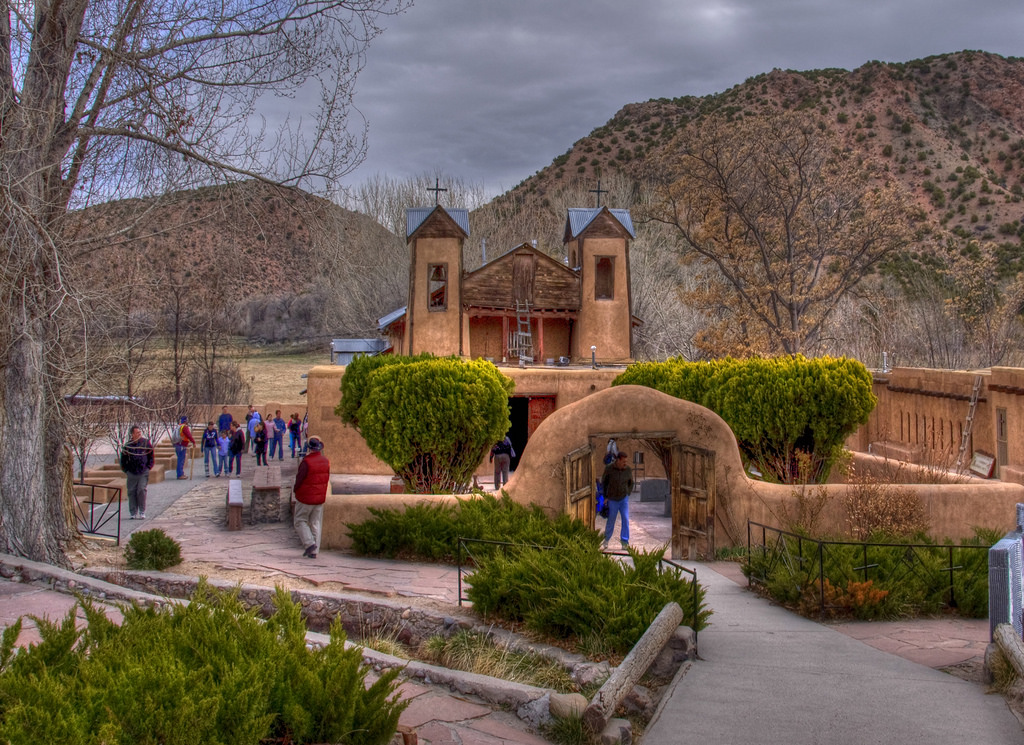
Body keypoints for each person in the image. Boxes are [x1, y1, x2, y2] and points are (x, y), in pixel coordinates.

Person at [293, 436, 330, 559]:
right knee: (315, 522)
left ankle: (309, 544)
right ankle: (314, 551)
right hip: (319, 497)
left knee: (300, 521)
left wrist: (296, 490)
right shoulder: (325, 461)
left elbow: (299, 479)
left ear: (309, 448)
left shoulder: (307, 462)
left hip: (306, 497)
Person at [601, 451, 634, 550]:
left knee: (625, 519)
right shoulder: (609, 468)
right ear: (618, 460)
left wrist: (628, 492)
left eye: (626, 461)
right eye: (623, 461)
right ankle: (606, 540)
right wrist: (605, 496)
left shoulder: (628, 470)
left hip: (623, 499)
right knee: (611, 520)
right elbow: (604, 482)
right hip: (612, 499)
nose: (625, 463)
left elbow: (631, 482)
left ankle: (624, 542)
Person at [120, 426, 154, 519]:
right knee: (132, 491)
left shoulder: (146, 443)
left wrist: (148, 467)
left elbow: (151, 456)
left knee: (141, 490)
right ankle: (133, 512)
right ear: (132, 434)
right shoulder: (128, 445)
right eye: (137, 432)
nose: (139, 434)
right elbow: (123, 459)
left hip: (143, 471)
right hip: (131, 472)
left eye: (140, 432)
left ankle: (142, 511)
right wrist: (126, 470)